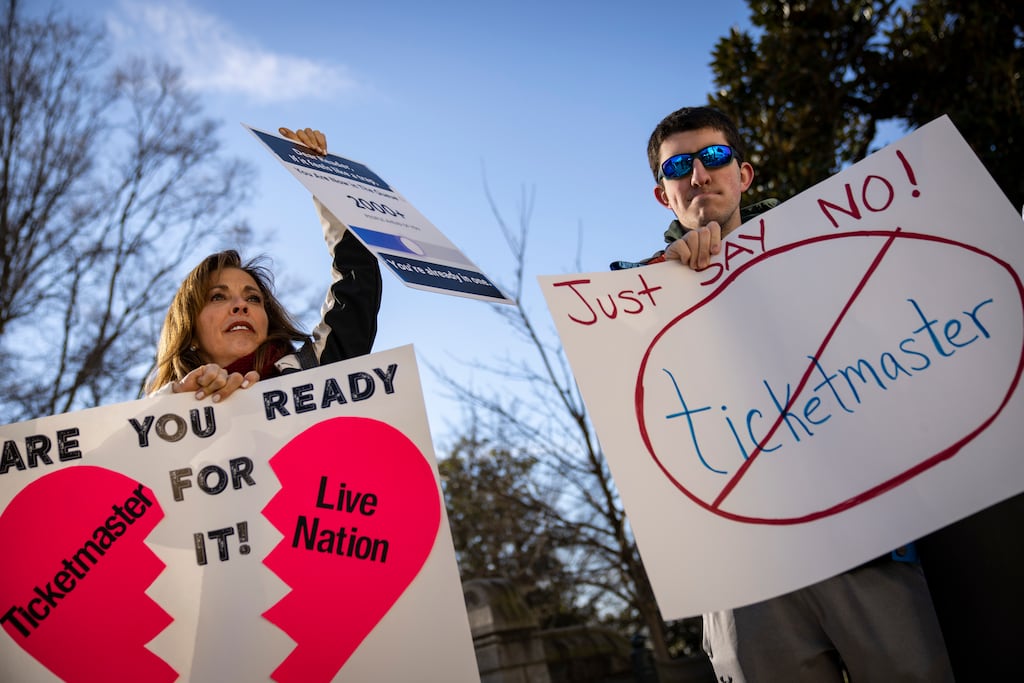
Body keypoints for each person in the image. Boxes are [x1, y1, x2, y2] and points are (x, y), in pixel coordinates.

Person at [624, 106, 953, 682]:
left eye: (715, 156)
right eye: (679, 165)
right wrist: (665, 288)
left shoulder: (835, 248)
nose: (699, 174)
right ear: (663, 195)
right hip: (741, 577)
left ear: (743, 174)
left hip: (863, 545)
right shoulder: (628, 301)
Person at [145, 127, 381, 400]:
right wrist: (174, 401)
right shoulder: (166, 405)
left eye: (254, 299)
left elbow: (357, 281)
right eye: (218, 296)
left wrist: (322, 177)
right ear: (190, 333)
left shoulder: (314, 371)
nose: (241, 305)